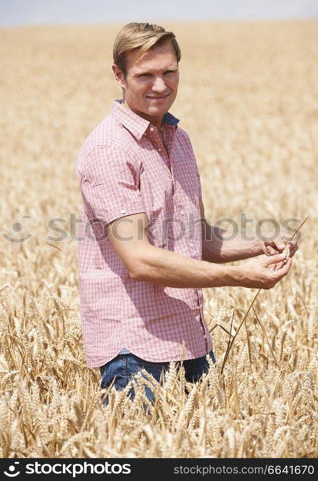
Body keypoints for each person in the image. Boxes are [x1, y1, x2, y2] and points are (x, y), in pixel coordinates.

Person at [76, 22, 298, 404]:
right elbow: (141, 260)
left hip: (191, 338)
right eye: (145, 75)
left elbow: (195, 236)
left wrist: (258, 247)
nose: (160, 86)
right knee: (143, 461)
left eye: (169, 72)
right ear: (119, 75)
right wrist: (240, 277)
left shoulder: (178, 139)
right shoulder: (109, 149)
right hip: (135, 349)